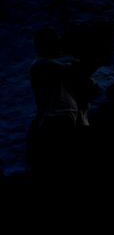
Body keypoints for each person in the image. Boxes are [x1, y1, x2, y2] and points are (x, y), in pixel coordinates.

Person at [27, 26, 80, 174]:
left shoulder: (50, 64)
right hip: (53, 121)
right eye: (52, 42)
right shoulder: (39, 65)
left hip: (63, 119)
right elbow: (71, 65)